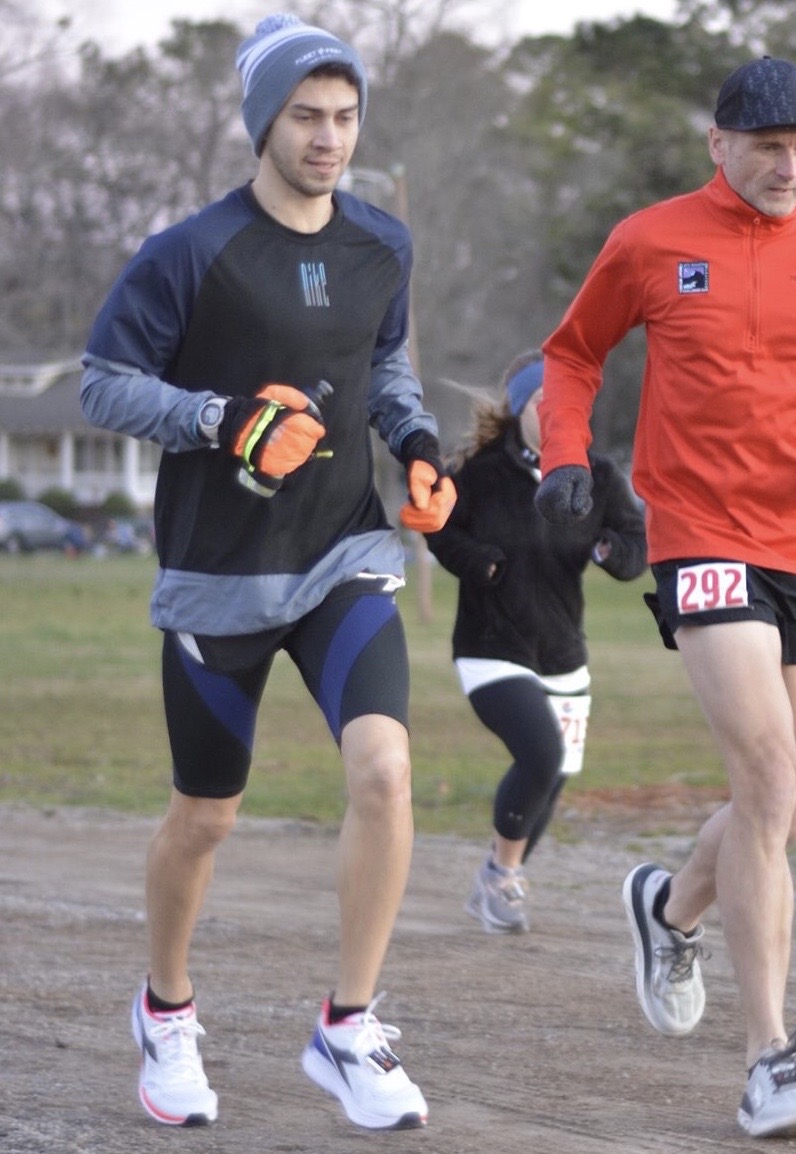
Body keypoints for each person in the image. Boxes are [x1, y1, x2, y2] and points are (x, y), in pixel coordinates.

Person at [535, 57, 796, 1139]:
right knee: (764, 780)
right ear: (719, 145)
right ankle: (768, 1059)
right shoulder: (651, 240)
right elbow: (571, 356)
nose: (789, 167)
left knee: (788, 808)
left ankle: (667, 908)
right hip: (701, 533)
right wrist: (563, 456)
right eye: (768, 148)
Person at [79, 14, 455, 1131]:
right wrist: (223, 420)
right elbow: (103, 383)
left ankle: (347, 1025)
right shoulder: (190, 252)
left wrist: (418, 444)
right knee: (206, 815)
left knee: (384, 771)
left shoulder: (383, 244)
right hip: (219, 576)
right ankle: (166, 1009)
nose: (328, 138)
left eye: (345, 117)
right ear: (263, 122)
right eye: (305, 117)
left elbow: (381, 366)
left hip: (343, 554)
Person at [423, 350, 647, 934]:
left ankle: (500, 875)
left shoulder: (595, 476)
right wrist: (481, 563)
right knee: (541, 753)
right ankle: (502, 877)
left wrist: (609, 550)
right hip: (489, 646)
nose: (554, 414)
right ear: (520, 407)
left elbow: (636, 547)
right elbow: (439, 532)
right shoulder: (478, 472)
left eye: (567, 403)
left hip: (563, 650)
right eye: (543, 402)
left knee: (555, 772)